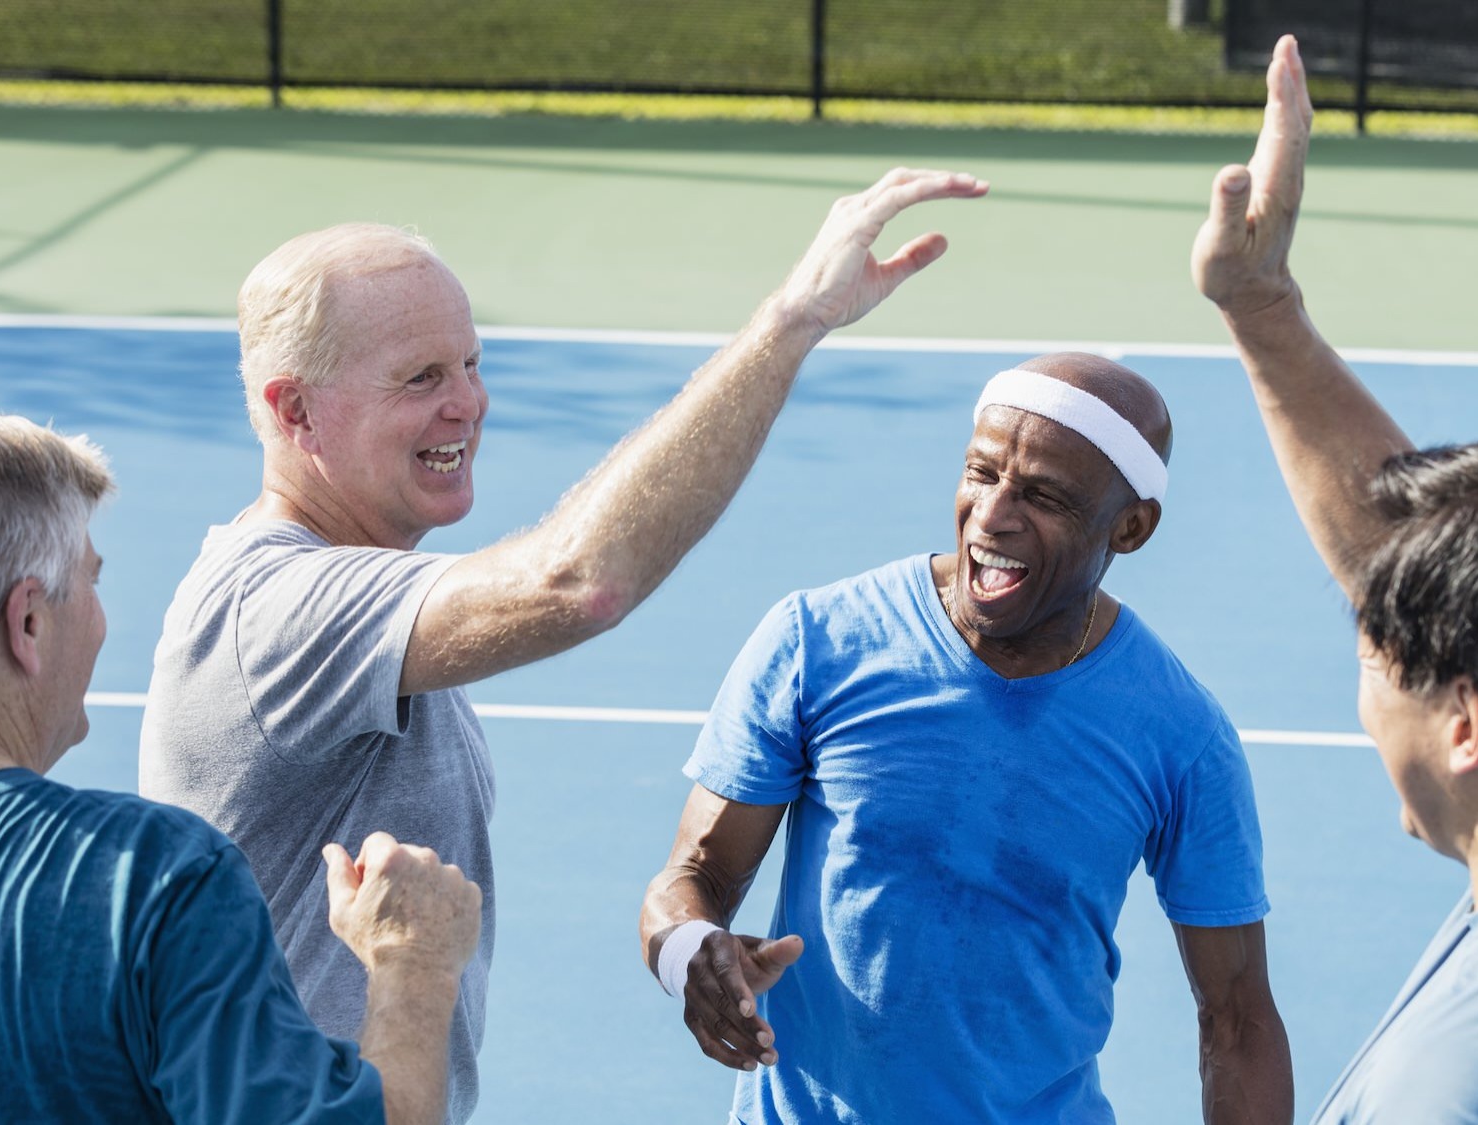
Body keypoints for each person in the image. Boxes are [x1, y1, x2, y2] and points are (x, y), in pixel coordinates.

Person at [136, 168, 989, 1121]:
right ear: (292, 410)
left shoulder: (361, 596)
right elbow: (578, 580)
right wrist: (792, 320)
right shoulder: (279, 608)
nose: (469, 403)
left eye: (470, 363)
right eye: (422, 377)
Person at [1195, 36, 1478, 1122]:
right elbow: (1413, 578)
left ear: (1468, 726)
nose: (1363, 678)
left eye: (1375, 654)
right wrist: (1262, 313)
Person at [640, 352, 1294, 1123]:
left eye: (1043, 494)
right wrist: (691, 954)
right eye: (981, 473)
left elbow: (1238, 1015)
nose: (993, 514)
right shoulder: (816, 641)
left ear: (1132, 526)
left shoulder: (1182, 733)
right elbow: (695, 874)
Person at [0, 409, 482, 1125]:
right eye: (90, 583)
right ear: (27, 621)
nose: (101, 620)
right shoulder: (149, 878)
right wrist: (415, 963)